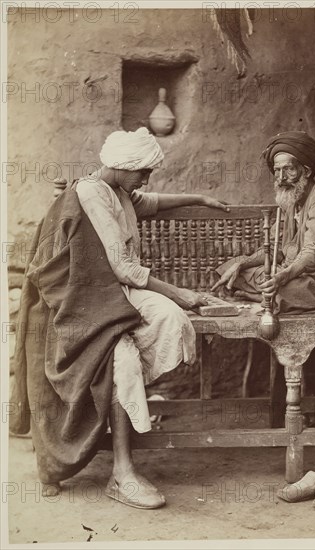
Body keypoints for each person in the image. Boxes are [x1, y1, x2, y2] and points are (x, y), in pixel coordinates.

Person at [11, 127, 228, 510]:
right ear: (121, 166)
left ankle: (121, 396)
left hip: (106, 294)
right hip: (76, 302)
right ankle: (122, 472)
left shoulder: (117, 191)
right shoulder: (91, 194)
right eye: (143, 171)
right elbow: (125, 268)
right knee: (123, 357)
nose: (147, 178)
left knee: (170, 318)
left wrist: (200, 197)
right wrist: (182, 293)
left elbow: (152, 202)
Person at [212, 131, 315, 313]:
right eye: (277, 170)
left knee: (284, 290)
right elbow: (277, 250)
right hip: (294, 273)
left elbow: (314, 253)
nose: (281, 177)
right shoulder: (292, 200)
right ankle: (266, 296)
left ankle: (265, 297)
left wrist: (282, 277)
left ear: (306, 171)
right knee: (230, 269)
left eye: (289, 169)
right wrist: (242, 264)